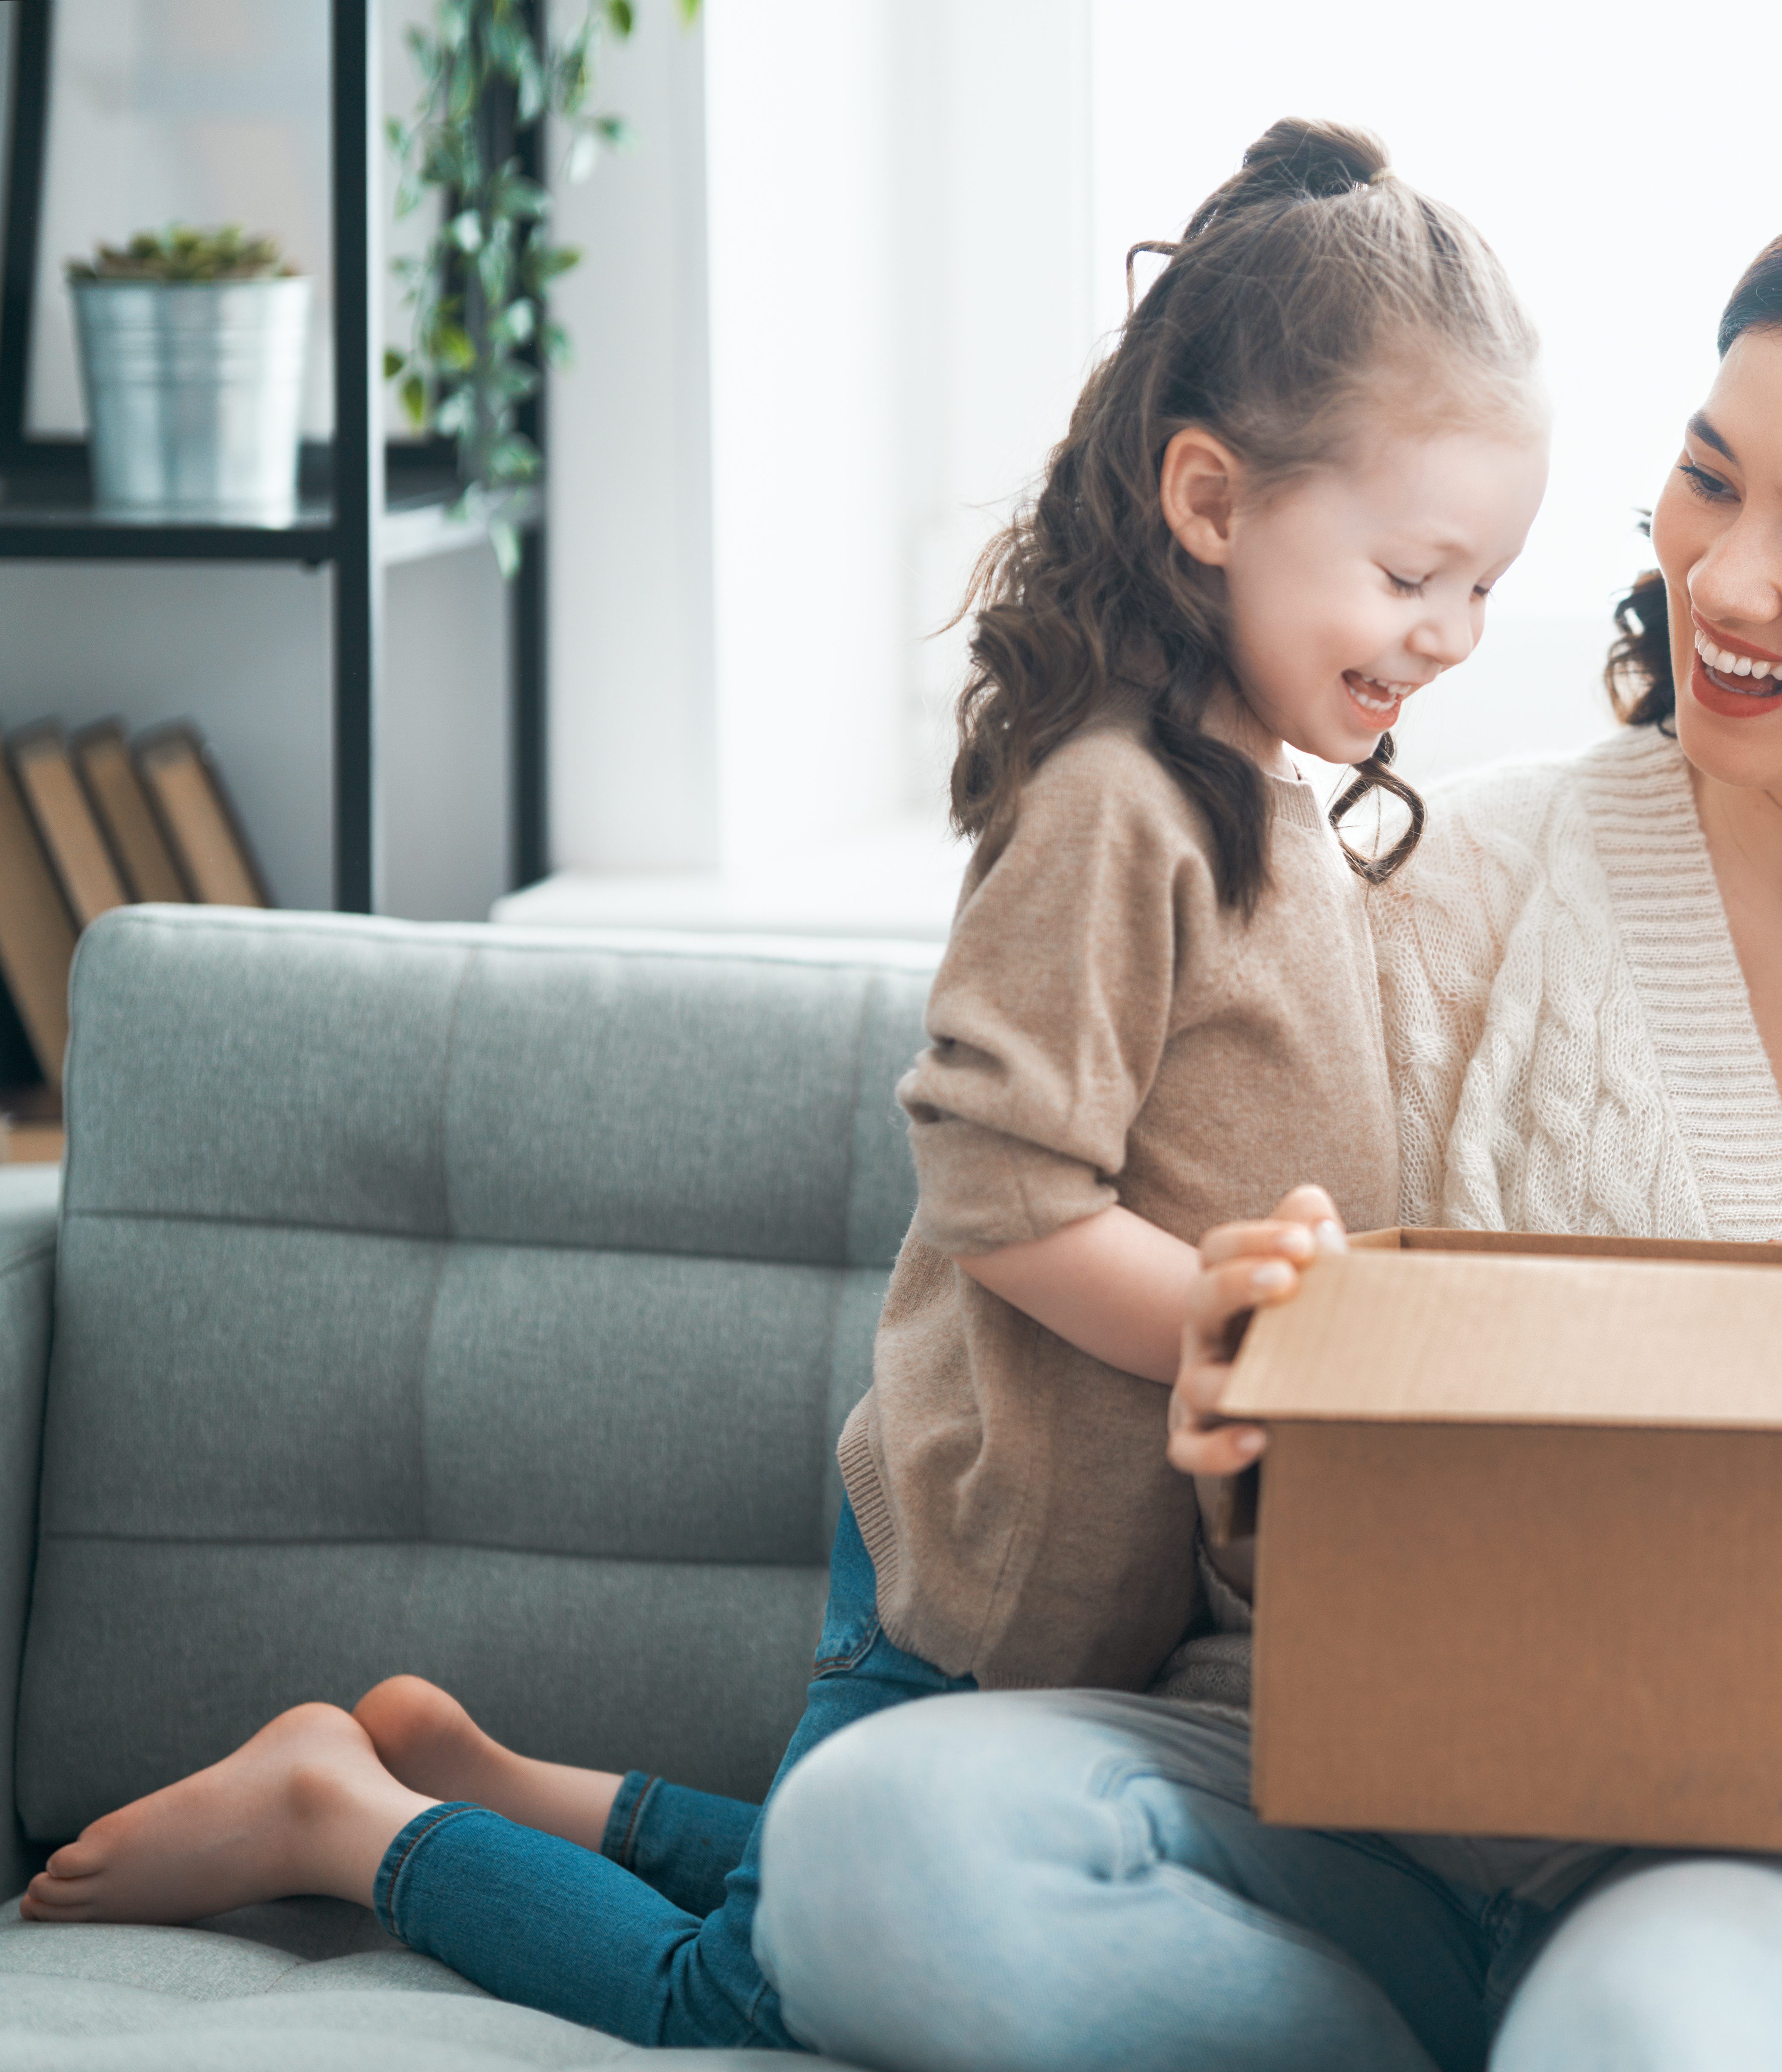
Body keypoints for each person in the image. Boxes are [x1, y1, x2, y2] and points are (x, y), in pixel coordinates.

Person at [15, 116, 1547, 2055]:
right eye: (1415, 571)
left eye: (1487, 589)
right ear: (1210, 498)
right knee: (758, 1982)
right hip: (973, 1562)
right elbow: (1004, 1189)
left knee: (837, 1883)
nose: (1450, 634)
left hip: (1104, 1594)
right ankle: (353, 1820)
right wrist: (1246, 1335)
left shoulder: (1281, 810)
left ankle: (490, 1779)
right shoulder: (1114, 807)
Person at [754, 190, 1782, 2072]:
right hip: (1341, 1787)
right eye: (1708, 484)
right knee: (871, 1845)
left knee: (1655, 2030)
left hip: (1764, 1873)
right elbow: (1247, 1394)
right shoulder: (1451, 876)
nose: (1722, 581)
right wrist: (1252, 1421)